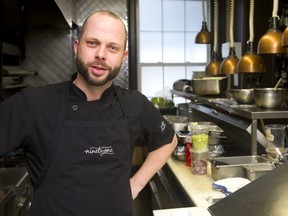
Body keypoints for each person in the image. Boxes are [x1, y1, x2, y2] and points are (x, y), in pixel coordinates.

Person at [0, 10, 177, 216]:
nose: (101, 54)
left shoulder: (134, 103)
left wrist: (136, 184)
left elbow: (169, 140)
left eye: (113, 47)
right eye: (93, 43)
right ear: (77, 47)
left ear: (123, 56)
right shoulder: (33, 103)